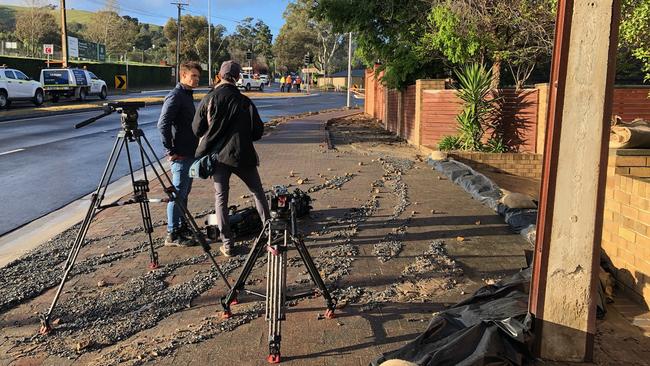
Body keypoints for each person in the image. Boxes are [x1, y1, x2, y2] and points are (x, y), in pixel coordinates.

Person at [192, 60, 270, 257]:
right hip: (243, 155)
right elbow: (257, 131)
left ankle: (228, 244)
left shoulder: (209, 99)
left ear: (219, 75)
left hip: (218, 159)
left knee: (221, 199)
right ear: (237, 77)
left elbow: (196, 129)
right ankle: (270, 236)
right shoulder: (245, 101)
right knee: (258, 193)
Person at [157, 61, 202, 247]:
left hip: (189, 153)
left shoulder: (186, 95)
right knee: (177, 194)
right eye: (193, 76)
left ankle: (181, 227)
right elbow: (163, 124)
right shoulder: (175, 96)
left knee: (183, 194)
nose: (197, 79)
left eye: (198, 76)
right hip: (180, 155)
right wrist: (170, 150)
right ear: (183, 75)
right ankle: (172, 233)